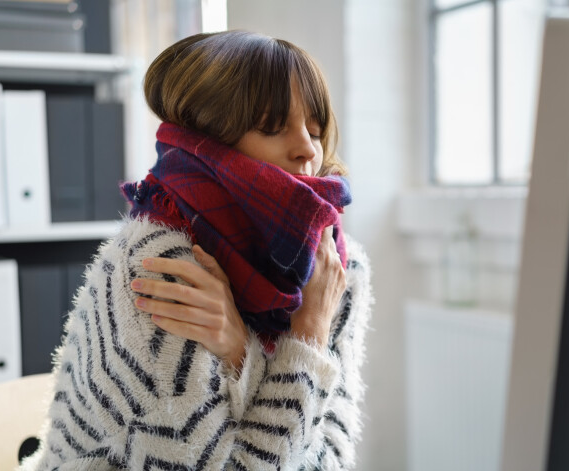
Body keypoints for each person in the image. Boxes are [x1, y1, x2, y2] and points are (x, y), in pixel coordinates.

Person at [20, 30, 372, 471]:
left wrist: (248, 349)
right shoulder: (160, 267)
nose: (308, 149)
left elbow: (332, 458)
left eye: (316, 129)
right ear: (211, 142)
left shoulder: (334, 267)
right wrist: (306, 347)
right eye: (271, 127)